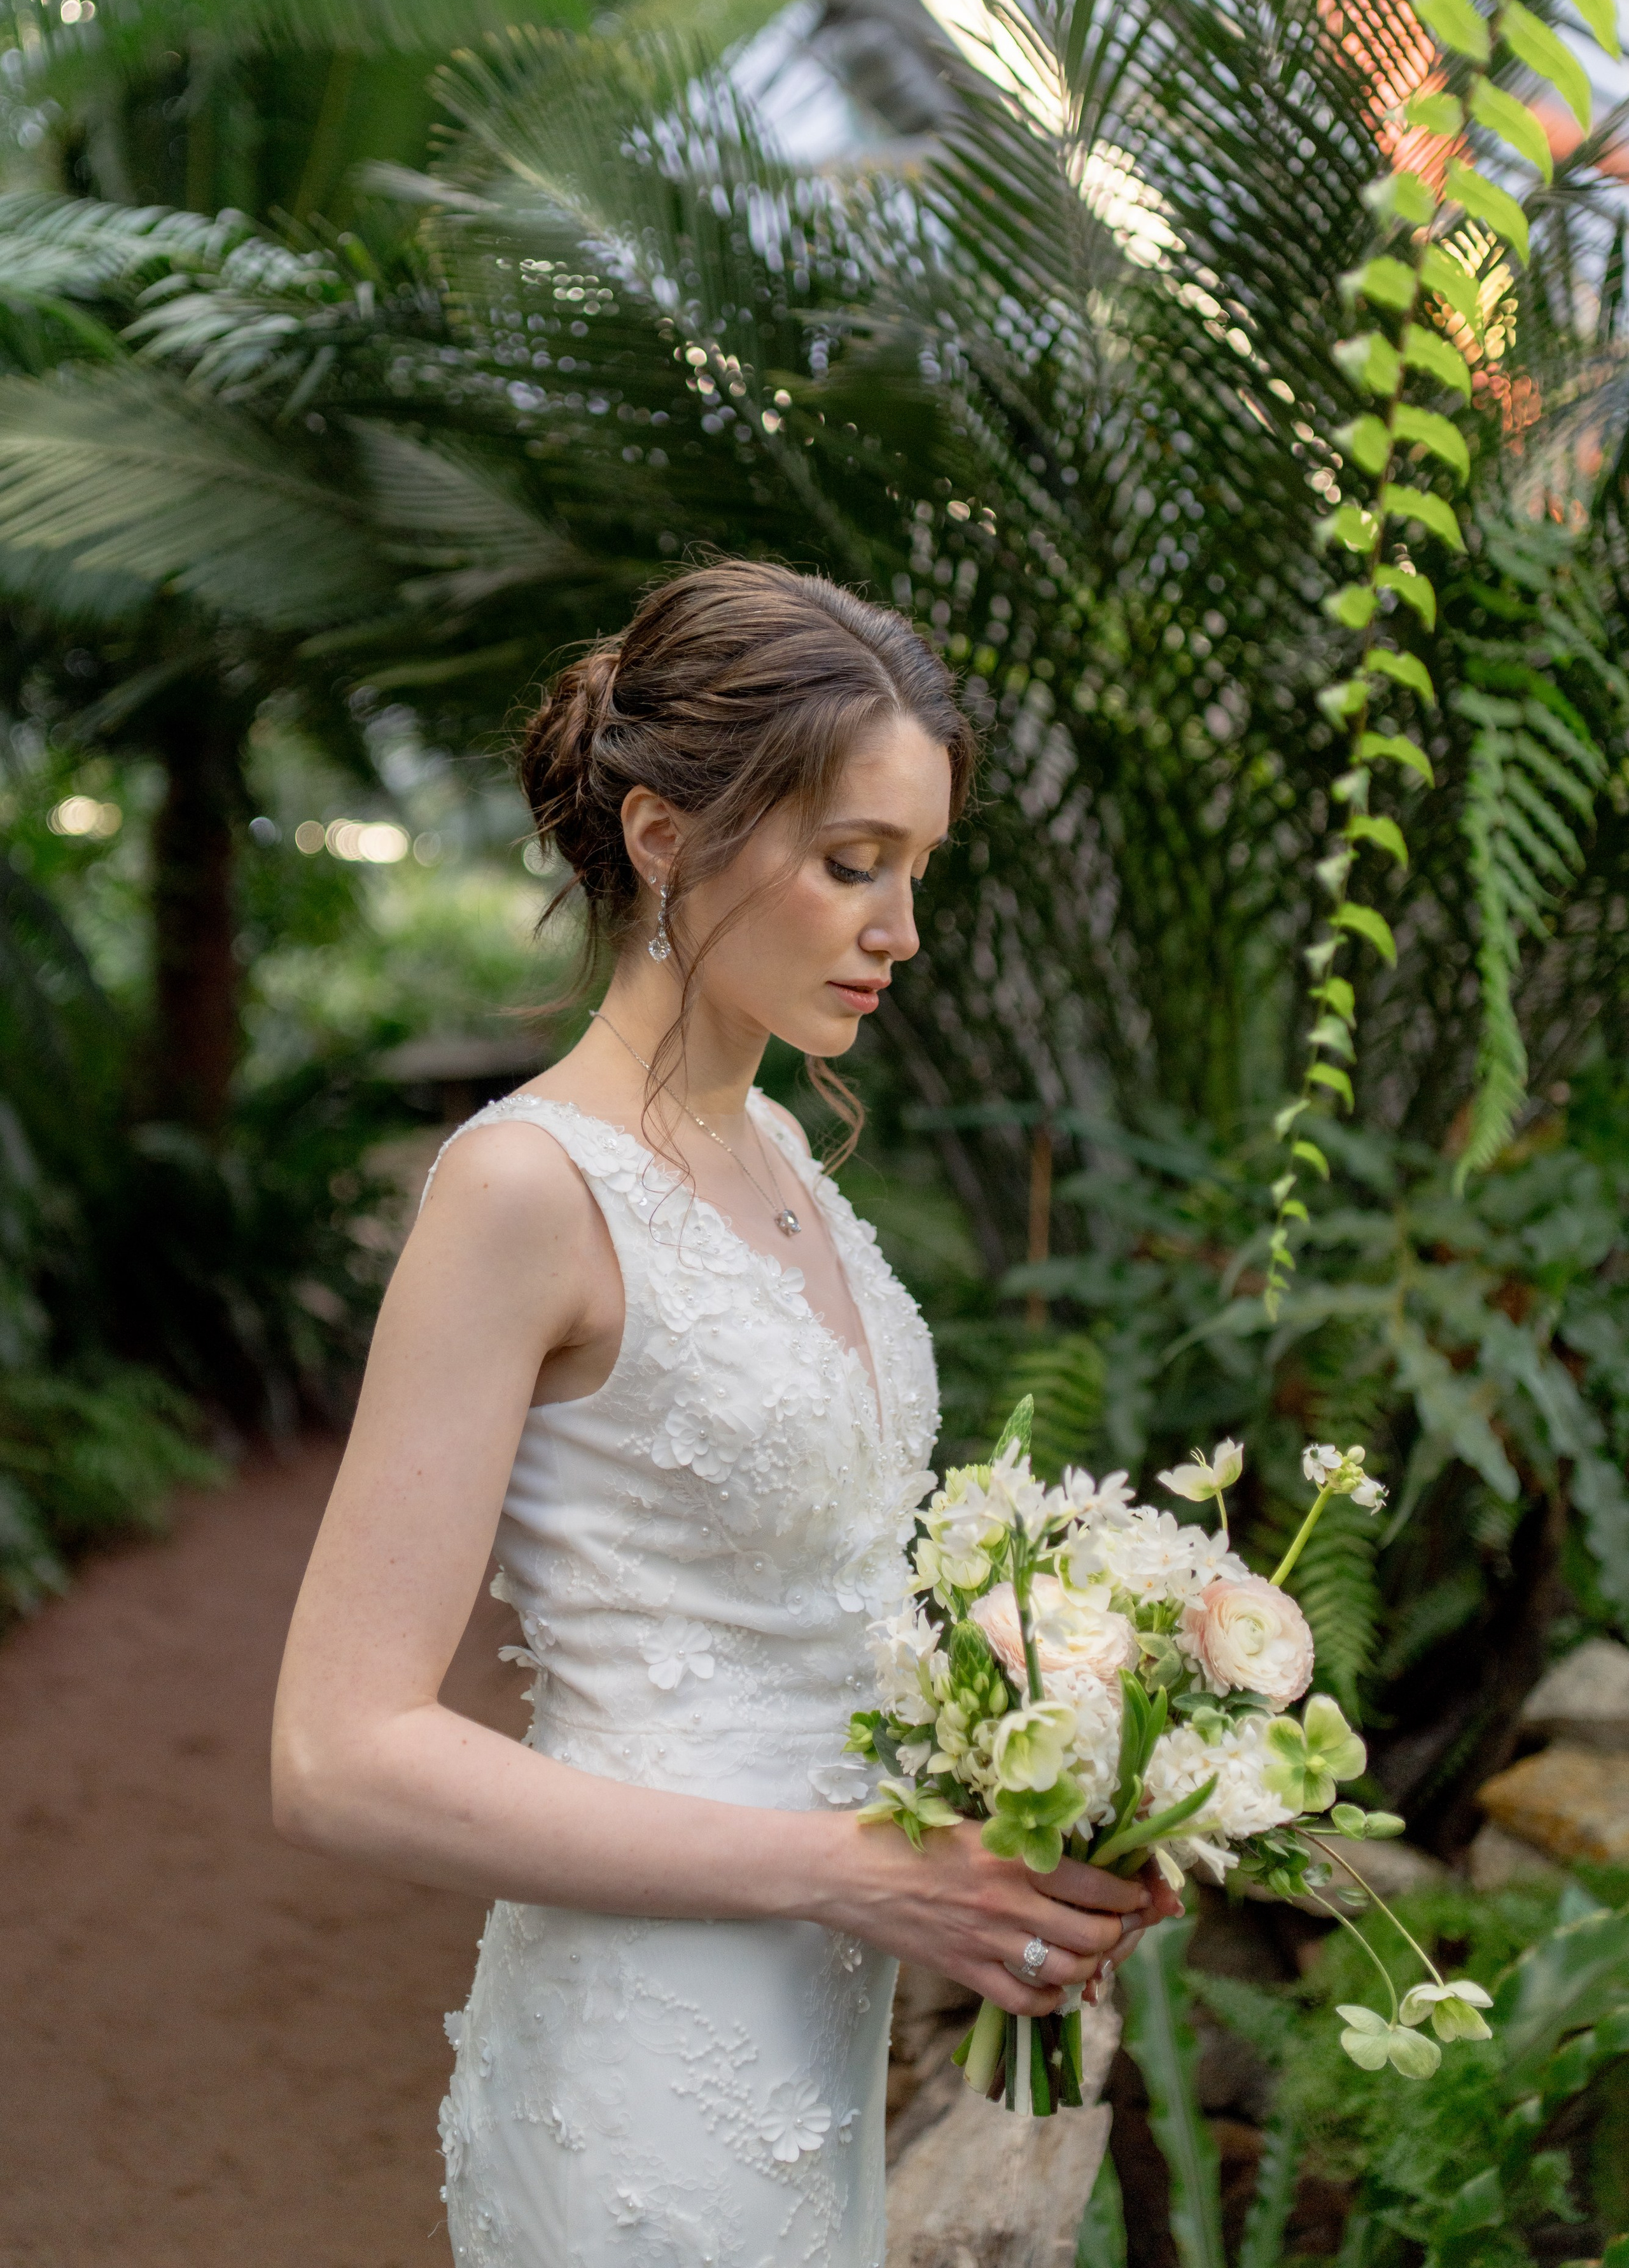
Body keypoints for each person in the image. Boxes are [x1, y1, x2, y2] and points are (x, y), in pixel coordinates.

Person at [272, 561, 1174, 2268]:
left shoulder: (796, 1179)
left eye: (917, 872)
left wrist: (1061, 1813)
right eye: (854, 866)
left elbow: (817, 1623)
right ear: (663, 834)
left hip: (820, 2034)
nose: (900, 931)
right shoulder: (528, 1189)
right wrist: (852, 1868)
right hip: (645, 2064)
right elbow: (335, 1755)